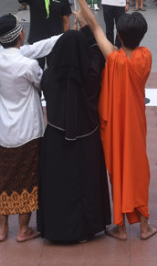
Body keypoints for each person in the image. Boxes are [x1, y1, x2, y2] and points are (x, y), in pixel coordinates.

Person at [68, 0, 157, 241]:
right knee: (139, 170)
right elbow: (97, 27)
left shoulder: (114, 59)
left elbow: (95, 27)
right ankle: (143, 226)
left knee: (116, 170)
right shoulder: (146, 56)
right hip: (135, 125)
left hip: (114, 126)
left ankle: (119, 227)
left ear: (118, 35)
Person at [0, 14, 62, 242]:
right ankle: (23, 229)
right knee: (29, 178)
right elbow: (41, 81)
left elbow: (35, 48)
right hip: (28, 129)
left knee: (6, 177)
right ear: (20, 35)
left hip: (6, 130)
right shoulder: (28, 65)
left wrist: (61, 37)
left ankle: (2, 228)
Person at [37, 28, 111, 242]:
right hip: (87, 137)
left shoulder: (50, 76)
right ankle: (86, 229)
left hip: (56, 137)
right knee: (86, 183)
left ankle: (56, 228)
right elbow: (99, 53)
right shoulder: (92, 74)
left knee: (58, 185)